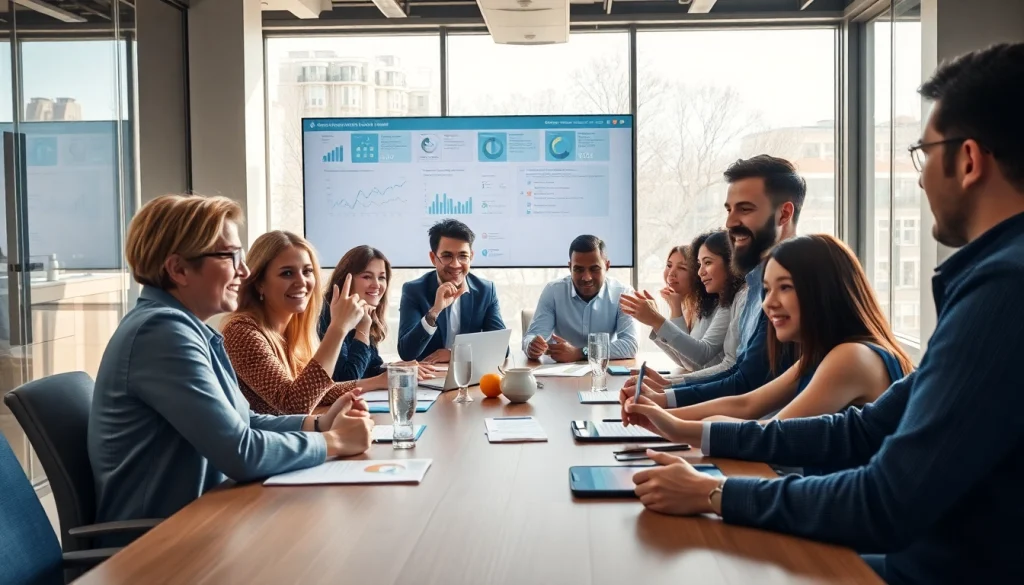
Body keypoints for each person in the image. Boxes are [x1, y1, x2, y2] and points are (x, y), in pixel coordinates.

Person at [622, 43, 1024, 585]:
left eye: (923, 153)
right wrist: (691, 435)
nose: (923, 178)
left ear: (969, 160)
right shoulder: (992, 282)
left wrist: (715, 491)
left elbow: (885, 499)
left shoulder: (1003, 288)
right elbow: (857, 432)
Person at [88, 195, 374, 527]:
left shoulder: (187, 329)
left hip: (206, 518)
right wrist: (335, 441)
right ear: (178, 269)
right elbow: (241, 451)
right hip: (162, 542)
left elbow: (244, 421)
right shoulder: (161, 332)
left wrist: (317, 425)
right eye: (229, 256)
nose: (245, 270)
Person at [626, 234, 913, 427]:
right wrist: (661, 412)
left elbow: (770, 433)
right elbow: (747, 405)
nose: (768, 303)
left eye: (785, 287)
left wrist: (668, 416)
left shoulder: (852, 357)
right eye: (766, 290)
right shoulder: (822, 353)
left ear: (824, 292)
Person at [623, 155, 804, 408]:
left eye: (745, 209)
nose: (729, 223)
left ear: (783, 214)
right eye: (729, 210)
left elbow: (747, 383)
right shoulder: (753, 285)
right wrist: (670, 390)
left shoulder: (799, 283)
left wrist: (668, 400)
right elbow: (736, 370)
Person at [222, 231, 367, 415]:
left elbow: (316, 391)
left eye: (307, 271)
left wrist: (377, 381)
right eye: (287, 273)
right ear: (259, 283)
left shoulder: (292, 331)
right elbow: (294, 405)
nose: (301, 282)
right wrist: (338, 328)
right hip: (268, 443)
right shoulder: (242, 332)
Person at [620, 231, 742, 376]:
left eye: (682, 268)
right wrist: (656, 320)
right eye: (669, 265)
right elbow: (686, 359)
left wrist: (657, 319)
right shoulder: (704, 305)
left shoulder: (725, 303)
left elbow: (697, 358)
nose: (671, 274)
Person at [318, 245, 435, 388]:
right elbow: (346, 378)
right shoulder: (329, 314)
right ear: (345, 279)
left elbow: (369, 369)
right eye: (367, 276)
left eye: (381, 278)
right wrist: (363, 329)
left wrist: (395, 369)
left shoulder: (364, 311)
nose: (377, 285)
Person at [397, 219, 506, 363]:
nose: (455, 264)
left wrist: (455, 354)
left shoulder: (485, 291)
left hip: (470, 375)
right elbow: (407, 353)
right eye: (447, 256)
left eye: (463, 256)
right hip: (428, 378)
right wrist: (434, 312)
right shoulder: (414, 290)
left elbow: (502, 348)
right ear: (433, 258)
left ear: (471, 257)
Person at [523, 235, 638, 362]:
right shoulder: (553, 291)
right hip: (559, 372)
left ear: (607, 266)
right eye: (578, 269)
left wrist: (580, 352)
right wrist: (532, 347)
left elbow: (630, 345)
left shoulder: (623, 293)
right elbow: (531, 337)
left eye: (594, 269)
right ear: (570, 267)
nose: (586, 277)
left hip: (602, 371)